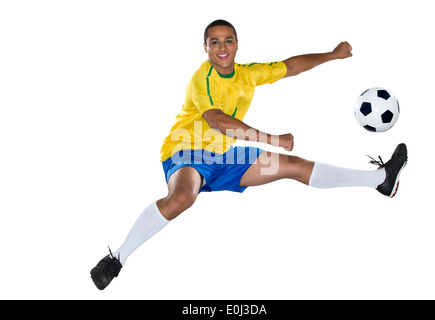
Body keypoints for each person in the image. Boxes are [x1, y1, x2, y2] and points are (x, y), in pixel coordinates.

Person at [90, 19, 407, 290]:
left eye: (228, 40)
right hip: (188, 149)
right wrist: (273, 139)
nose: (222, 47)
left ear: (237, 44)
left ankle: (381, 179)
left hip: (226, 158)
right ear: (206, 48)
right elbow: (218, 121)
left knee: (293, 166)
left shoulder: (247, 74)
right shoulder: (202, 79)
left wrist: (333, 55)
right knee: (184, 196)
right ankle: (117, 258)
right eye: (215, 42)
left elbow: (291, 66)